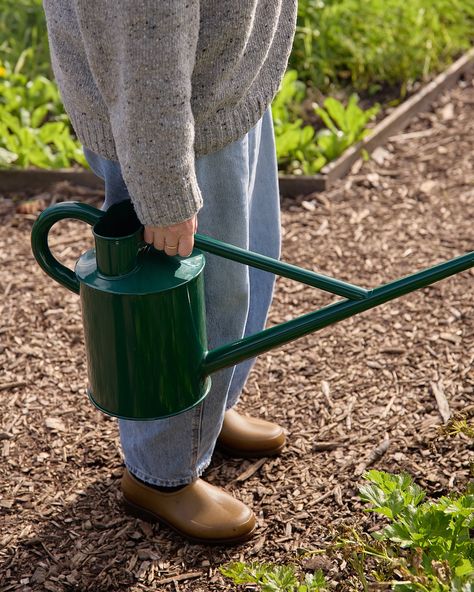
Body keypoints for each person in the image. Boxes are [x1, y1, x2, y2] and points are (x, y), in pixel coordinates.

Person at [42, 1, 297, 544]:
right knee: (186, 309)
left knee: (236, 283)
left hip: (221, 85)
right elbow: (142, 43)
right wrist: (164, 189)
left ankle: (208, 411)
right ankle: (161, 473)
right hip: (166, 126)